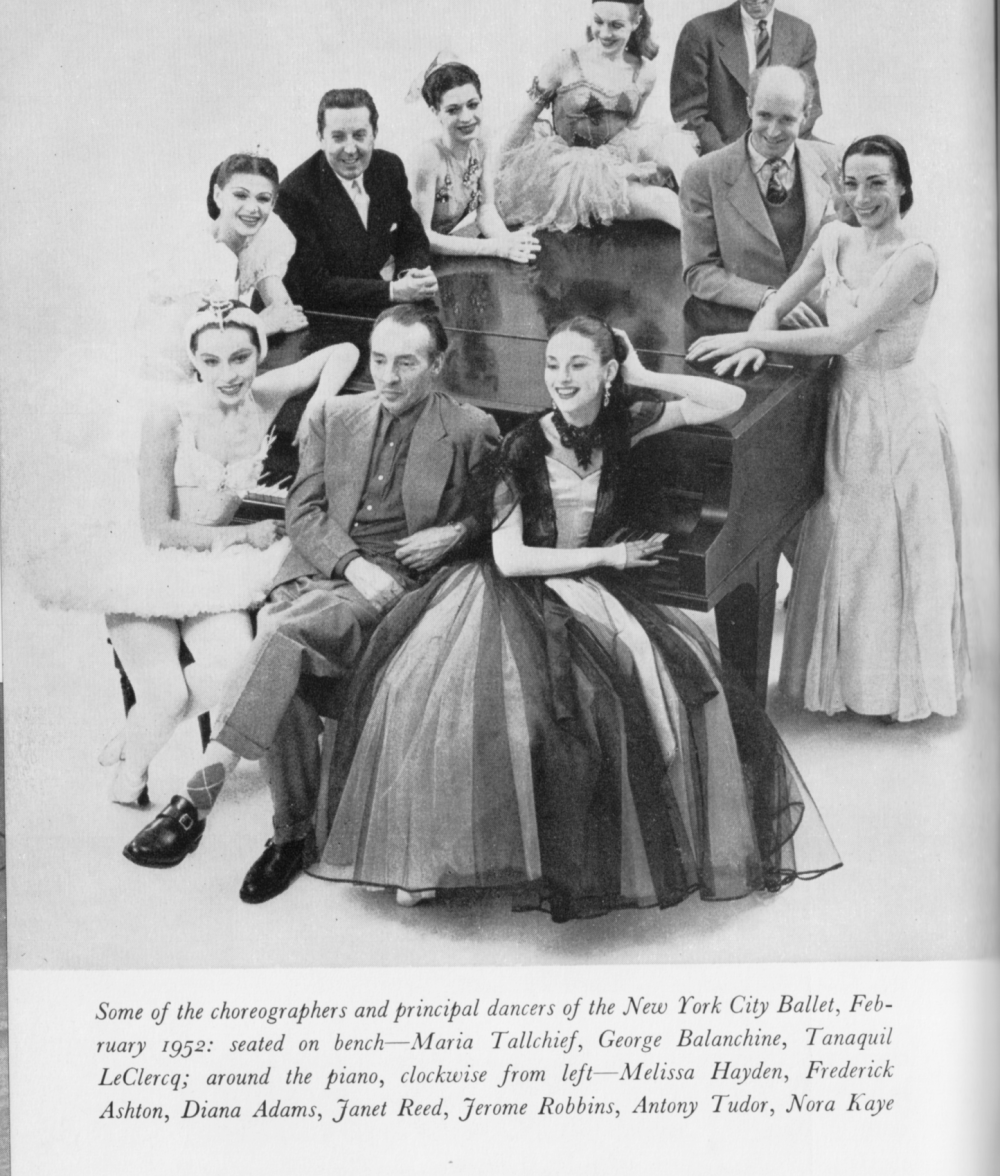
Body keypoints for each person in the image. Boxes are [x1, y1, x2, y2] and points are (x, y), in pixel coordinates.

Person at [311, 315, 841, 921]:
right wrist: (610, 554)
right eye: (552, 366)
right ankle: (445, 861)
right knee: (490, 711)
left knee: (665, 692)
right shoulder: (522, 447)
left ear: (607, 371)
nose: (560, 380)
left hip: (590, 588)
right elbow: (510, 560)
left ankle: (615, 844)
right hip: (518, 588)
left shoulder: (628, 424)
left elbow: (730, 398)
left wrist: (644, 374)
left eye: (578, 365)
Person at [123, 304, 500, 894]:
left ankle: (204, 802)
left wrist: (456, 533)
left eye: (406, 362)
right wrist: (347, 562)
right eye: (379, 360)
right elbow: (302, 510)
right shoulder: (336, 415)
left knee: (279, 633)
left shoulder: (471, 429)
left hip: (398, 582)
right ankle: (293, 831)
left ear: (436, 364)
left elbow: (495, 514)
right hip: (326, 572)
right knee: (285, 653)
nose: (389, 376)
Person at [34, 301, 359, 811]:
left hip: (212, 572)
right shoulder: (169, 415)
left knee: (235, 672)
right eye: (211, 362)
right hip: (149, 564)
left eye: (240, 358)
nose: (227, 375)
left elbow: (342, 350)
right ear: (194, 362)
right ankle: (130, 777)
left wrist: (320, 400)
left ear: (259, 356)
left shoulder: (266, 395)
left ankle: (137, 727)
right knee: (165, 693)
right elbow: (157, 528)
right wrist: (242, 535)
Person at [687, 136, 968, 722]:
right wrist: (758, 334)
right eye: (852, 182)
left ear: (902, 186)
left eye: (876, 183)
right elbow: (778, 300)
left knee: (886, 545)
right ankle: (844, 683)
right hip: (845, 405)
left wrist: (751, 338)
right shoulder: (835, 237)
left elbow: (844, 337)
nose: (861, 196)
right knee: (843, 538)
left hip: (896, 414)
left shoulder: (917, 258)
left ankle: (891, 693)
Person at [495, 0, 697, 233]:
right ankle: (710, 251)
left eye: (616, 25)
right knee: (663, 201)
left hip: (613, 159)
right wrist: (493, 180)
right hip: (570, 172)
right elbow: (525, 119)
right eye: (598, 22)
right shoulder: (565, 62)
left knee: (677, 146)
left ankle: (718, 218)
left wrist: (633, 166)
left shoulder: (645, 73)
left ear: (636, 21)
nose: (604, 32)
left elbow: (628, 131)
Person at [680, 65, 841, 340]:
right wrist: (768, 299)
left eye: (787, 120)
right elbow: (698, 272)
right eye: (764, 116)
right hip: (738, 327)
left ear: (806, 115)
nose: (773, 131)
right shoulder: (703, 175)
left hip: (817, 328)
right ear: (748, 107)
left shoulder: (835, 162)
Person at [275, 88, 438, 323]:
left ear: (374, 134)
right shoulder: (294, 194)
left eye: (359, 135)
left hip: (380, 309)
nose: (350, 149)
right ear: (321, 138)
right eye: (338, 137)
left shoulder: (389, 166)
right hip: (321, 319)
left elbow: (411, 236)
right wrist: (394, 291)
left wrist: (411, 273)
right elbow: (315, 286)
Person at [141, 153, 308, 380]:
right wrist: (261, 324)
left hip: (217, 369)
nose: (252, 208)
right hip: (172, 371)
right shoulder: (199, 251)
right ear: (218, 195)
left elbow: (283, 309)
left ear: (273, 202)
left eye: (263, 198)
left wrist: (278, 311)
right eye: (240, 195)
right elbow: (211, 343)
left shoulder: (265, 234)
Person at [670, 0, 822, 153]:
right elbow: (689, 113)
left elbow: (810, 106)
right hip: (721, 153)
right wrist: (730, 160)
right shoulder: (700, 32)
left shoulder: (800, 33)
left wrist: (776, 150)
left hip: (782, 148)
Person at [407, 54, 540, 263]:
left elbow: (485, 209)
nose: (466, 117)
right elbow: (421, 237)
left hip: (440, 257)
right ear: (435, 111)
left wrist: (508, 242)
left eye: (473, 104)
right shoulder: (427, 158)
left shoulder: (481, 141)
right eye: (453, 110)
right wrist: (494, 247)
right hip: (398, 261)